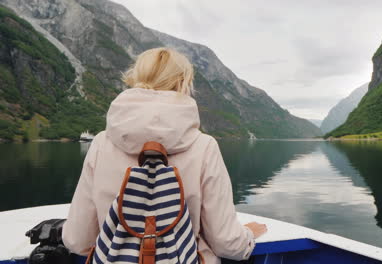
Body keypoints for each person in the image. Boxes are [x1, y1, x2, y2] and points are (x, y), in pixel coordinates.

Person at [62, 47, 267, 263]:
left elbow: (77, 240)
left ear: (136, 77)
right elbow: (227, 244)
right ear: (183, 83)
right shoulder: (204, 146)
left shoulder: (101, 144)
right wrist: (248, 235)